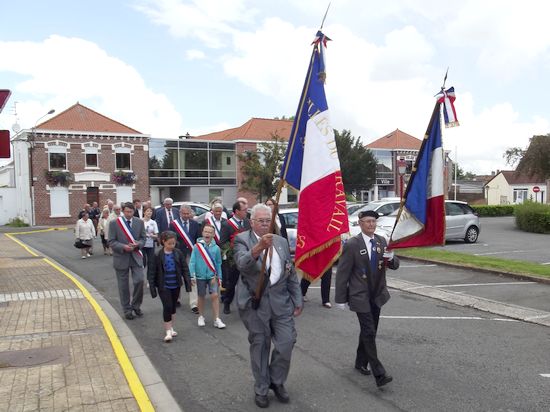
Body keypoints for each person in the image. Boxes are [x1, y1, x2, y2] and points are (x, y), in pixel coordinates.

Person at [234, 204, 302, 408]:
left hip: (281, 303)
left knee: (286, 342)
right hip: (256, 303)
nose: (265, 224)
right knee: (260, 347)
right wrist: (258, 248)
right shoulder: (242, 239)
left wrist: (297, 298)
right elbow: (241, 264)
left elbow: (290, 273)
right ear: (252, 222)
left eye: (268, 220)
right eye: (261, 221)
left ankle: (276, 380)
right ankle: (261, 388)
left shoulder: (281, 241)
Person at [335, 210, 399, 388]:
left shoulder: (381, 241)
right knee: (369, 331)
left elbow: (394, 265)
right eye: (367, 221)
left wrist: (391, 257)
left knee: (370, 330)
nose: (371, 224)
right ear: (360, 223)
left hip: (377, 294)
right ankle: (379, 373)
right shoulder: (352, 244)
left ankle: (360, 361)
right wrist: (340, 298)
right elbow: (343, 272)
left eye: (373, 221)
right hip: (360, 295)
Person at [148, 231, 191, 342]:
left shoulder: (178, 253)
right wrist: (152, 287)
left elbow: (184, 268)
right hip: (163, 285)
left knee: (173, 306)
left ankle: (171, 327)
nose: (172, 245)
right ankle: (167, 331)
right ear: (163, 242)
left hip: (175, 284)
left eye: (173, 243)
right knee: (167, 306)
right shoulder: (157, 255)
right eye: (169, 243)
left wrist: (188, 282)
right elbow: (152, 272)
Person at [109, 202, 146, 320]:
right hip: (121, 257)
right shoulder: (114, 223)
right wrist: (123, 247)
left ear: (134, 211)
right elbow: (111, 241)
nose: (128, 214)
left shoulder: (139, 222)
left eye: (130, 212)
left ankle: (136, 305)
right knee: (123, 286)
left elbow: (143, 238)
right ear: (122, 211)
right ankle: (127, 309)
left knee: (140, 280)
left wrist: (138, 244)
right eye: (126, 212)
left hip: (136, 256)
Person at [189, 224, 226, 329]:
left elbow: (218, 263)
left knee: (215, 295)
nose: (207, 234)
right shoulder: (197, 247)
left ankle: (217, 319)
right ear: (202, 233)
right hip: (200, 276)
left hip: (212, 276)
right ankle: (201, 316)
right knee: (201, 296)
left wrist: (219, 276)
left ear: (213, 234)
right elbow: (192, 262)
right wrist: (192, 276)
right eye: (205, 231)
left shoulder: (216, 248)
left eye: (210, 232)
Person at [220, 200, 251, 314]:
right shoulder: (227, 224)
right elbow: (223, 242)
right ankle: (227, 303)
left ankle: (248, 303)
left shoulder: (247, 222)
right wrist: (232, 251)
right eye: (244, 210)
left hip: (248, 258)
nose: (246, 212)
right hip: (233, 260)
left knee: (249, 281)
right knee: (231, 283)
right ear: (237, 211)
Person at [171, 205, 200, 313]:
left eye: (188, 214)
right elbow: (171, 240)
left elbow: (198, 239)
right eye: (184, 214)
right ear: (180, 213)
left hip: (192, 254)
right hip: (178, 254)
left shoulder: (195, 224)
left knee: (192, 277)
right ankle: (176, 299)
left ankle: (194, 303)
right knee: (177, 277)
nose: (186, 216)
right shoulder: (174, 224)